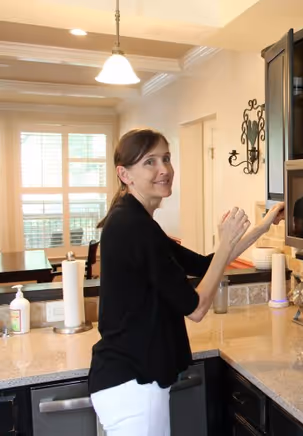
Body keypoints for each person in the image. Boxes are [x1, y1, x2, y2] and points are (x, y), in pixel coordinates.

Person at [88, 128, 284, 436]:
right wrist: (226, 242)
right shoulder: (133, 226)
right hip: (132, 384)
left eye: (166, 158)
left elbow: (207, 264)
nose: (164, 169)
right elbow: (195, 307)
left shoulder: (136, 221)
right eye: (149, 162)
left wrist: (263, 226)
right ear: (124, 174)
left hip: (132, 380)